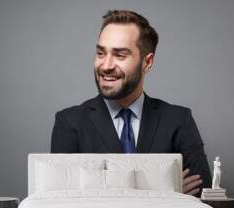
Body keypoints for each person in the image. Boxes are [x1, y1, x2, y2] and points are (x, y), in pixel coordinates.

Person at [50, 10, 211, 196]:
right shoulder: (70, 123)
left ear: (147, 62)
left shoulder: (178, 120)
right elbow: (64, 203)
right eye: (101, 53)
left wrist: (100, 192)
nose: (106, 65)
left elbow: (201, 196)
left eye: (119, 55)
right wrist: (165, 192)